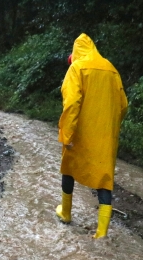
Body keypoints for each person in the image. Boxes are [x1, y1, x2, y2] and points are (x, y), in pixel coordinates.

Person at [56, 33, 128, 238]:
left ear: (76, 52)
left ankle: (66, 213)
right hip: (106, 135)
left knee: (68, 168)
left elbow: (72, 103)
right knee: (104, 178)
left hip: (79, 132)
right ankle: (102, 232)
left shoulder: (77, 68)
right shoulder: (111, 69)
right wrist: (110, 127)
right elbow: (123, 105)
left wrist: (67, 134)